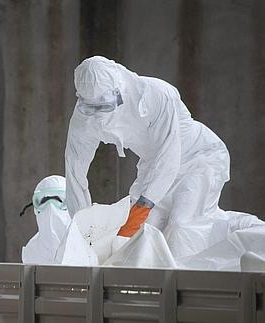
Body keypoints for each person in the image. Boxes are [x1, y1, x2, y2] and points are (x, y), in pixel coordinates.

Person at [65, 56, 234, 258]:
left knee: (182, 226)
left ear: (118, 89)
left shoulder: (156, 94)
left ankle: (195, 280)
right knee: (145, 234)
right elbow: (75, 170)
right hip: (153, 165)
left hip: (198, 158)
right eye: (92, 107)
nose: (99, 113)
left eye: (105, 105)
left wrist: (144, 205)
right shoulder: (85, 117)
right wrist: (82, 227)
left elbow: (169, 153)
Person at [21, 175, 74, 264]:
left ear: (70, 205)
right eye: (44, 201)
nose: (50, 206)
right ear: (36, 209)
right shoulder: (31, 252)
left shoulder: (85, 246)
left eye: (58, 200)